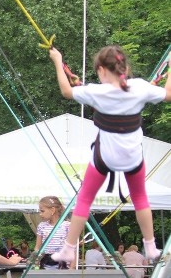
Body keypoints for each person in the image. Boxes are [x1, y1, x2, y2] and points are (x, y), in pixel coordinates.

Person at [49, 45, 171, 264]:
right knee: (141, 198)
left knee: (84, 199)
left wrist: (58, 60)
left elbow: (67, 92)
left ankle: (68, 248)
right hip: (132, 158)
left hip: (104, 158)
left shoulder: (96, 92)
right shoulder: (140, 88)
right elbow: (169, 95)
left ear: (102, 70)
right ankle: (151, 248)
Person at [34, 196, 71, 269]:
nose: (40, 214)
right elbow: (37, 247)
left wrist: (72, 267)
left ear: (52, 210)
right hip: (45, 264)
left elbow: (73, 248)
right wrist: (36, 262)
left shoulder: (67, 225)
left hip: (63, 264)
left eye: (42, 211)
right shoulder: (42, 226)